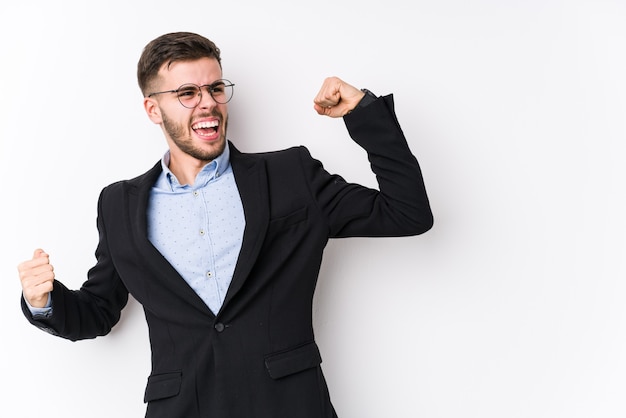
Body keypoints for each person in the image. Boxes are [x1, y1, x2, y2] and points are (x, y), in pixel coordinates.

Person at [17, 31, 433, 418]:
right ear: (152, 108)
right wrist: (44, 301)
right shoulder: (117, 204)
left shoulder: (290, 175)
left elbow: (407, 212)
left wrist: (363, 114)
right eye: (187, 92)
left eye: (215, 88)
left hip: (289, 404)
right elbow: (99, 310)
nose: (208, 102)